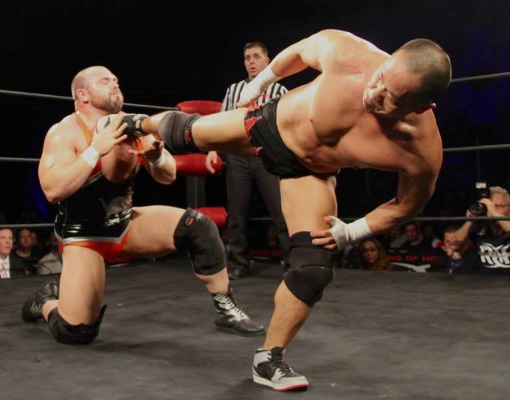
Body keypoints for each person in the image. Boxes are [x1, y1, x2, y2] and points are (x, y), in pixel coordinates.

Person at [139, 29, 451, 391]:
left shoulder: (420, 150)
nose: (374, 93)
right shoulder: (351, 55)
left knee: (314, 268)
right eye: (381, 78)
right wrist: (260, 84)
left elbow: (408, 204)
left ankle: (269, 358)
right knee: (187, 132)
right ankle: (136, 123)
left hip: (308, 173)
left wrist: (352, 231)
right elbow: (302, 50)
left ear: (422, 107)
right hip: (269, 126)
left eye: (391, 98)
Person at [21, 65, 264, 347]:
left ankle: (225, 307)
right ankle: (46, 301)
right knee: (76, 332)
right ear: (83, 95)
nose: (115, 84)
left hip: (124, 225)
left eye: (115, 79)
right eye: (105, 81)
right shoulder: (64, 132)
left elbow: (168, 175)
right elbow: (52, 190)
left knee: (198, 226)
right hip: (84, 236)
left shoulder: (133, 124)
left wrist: (156, 156)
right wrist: (95, 150)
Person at [205, 42, 290, 280]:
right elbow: (221, 121)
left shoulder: (279, 90)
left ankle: (292, 263)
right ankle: (239, 263)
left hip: (267, 155)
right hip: (238, 155)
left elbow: (288, 123)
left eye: (256, 56)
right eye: (247, 57)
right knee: (237, 212)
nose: (251, 61)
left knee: (280, 211)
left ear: (266, 61)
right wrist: (213, 149)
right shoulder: (234, 90)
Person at [451, 186, 510, 274]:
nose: (490, 209)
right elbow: (453, 246)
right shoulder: (479, 230)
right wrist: (470, 220)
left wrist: (494, 213)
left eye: (497, 206)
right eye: (488, 206)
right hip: (484, 282)